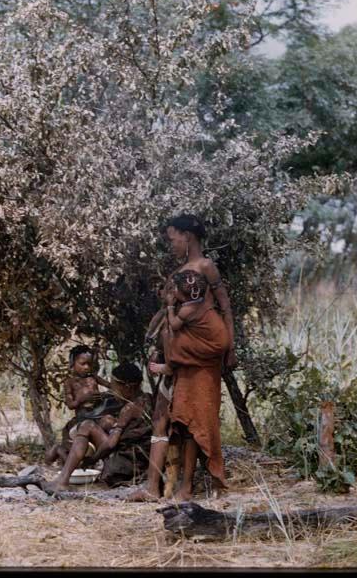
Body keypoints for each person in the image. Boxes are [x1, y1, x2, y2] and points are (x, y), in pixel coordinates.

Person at [128, 213, 235, 502]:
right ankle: (152, 487)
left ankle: (186, 488)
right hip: (174, 355)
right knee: (161, 418)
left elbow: (225, 307)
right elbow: (168, 310)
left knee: (193, 420)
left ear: (187, 236)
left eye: (173, 238)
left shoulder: (205, 267)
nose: (171, 244)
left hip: (198, 358)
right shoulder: (180, 272)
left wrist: (231, 347)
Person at [149, 269, 230, 500]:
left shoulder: (192, 311)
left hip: (201, 375)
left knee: (200, 428)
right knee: (186, 427)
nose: (169, 293)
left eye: (172, 289)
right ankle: (180, 487)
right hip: (188, 374)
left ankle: (190, 487)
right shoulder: (193, 308)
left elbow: (217, 342)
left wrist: (176, 360)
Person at [45, 363, 152, 493]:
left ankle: (62, 481)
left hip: (127, 462)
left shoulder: (129, 408)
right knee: (104, 422)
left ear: (128, 388)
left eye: (114, 387)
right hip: (144, 460)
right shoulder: (148, 398)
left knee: (87, 426)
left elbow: (110, 444)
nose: (112, 391)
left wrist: (93, 459)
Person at [45, 345, 119, 466]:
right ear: (72, 363)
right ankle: (58, 450)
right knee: (73, 455)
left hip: (98, 417)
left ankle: (109, 459)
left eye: (89, 364)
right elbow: (70, 405)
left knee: (110, 422)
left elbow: (111, 386)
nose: (86, 367)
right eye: (82, 363)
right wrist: (81, 399)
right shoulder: (70, 382)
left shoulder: (93, 378)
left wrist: (104, 396)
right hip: (82, 419)